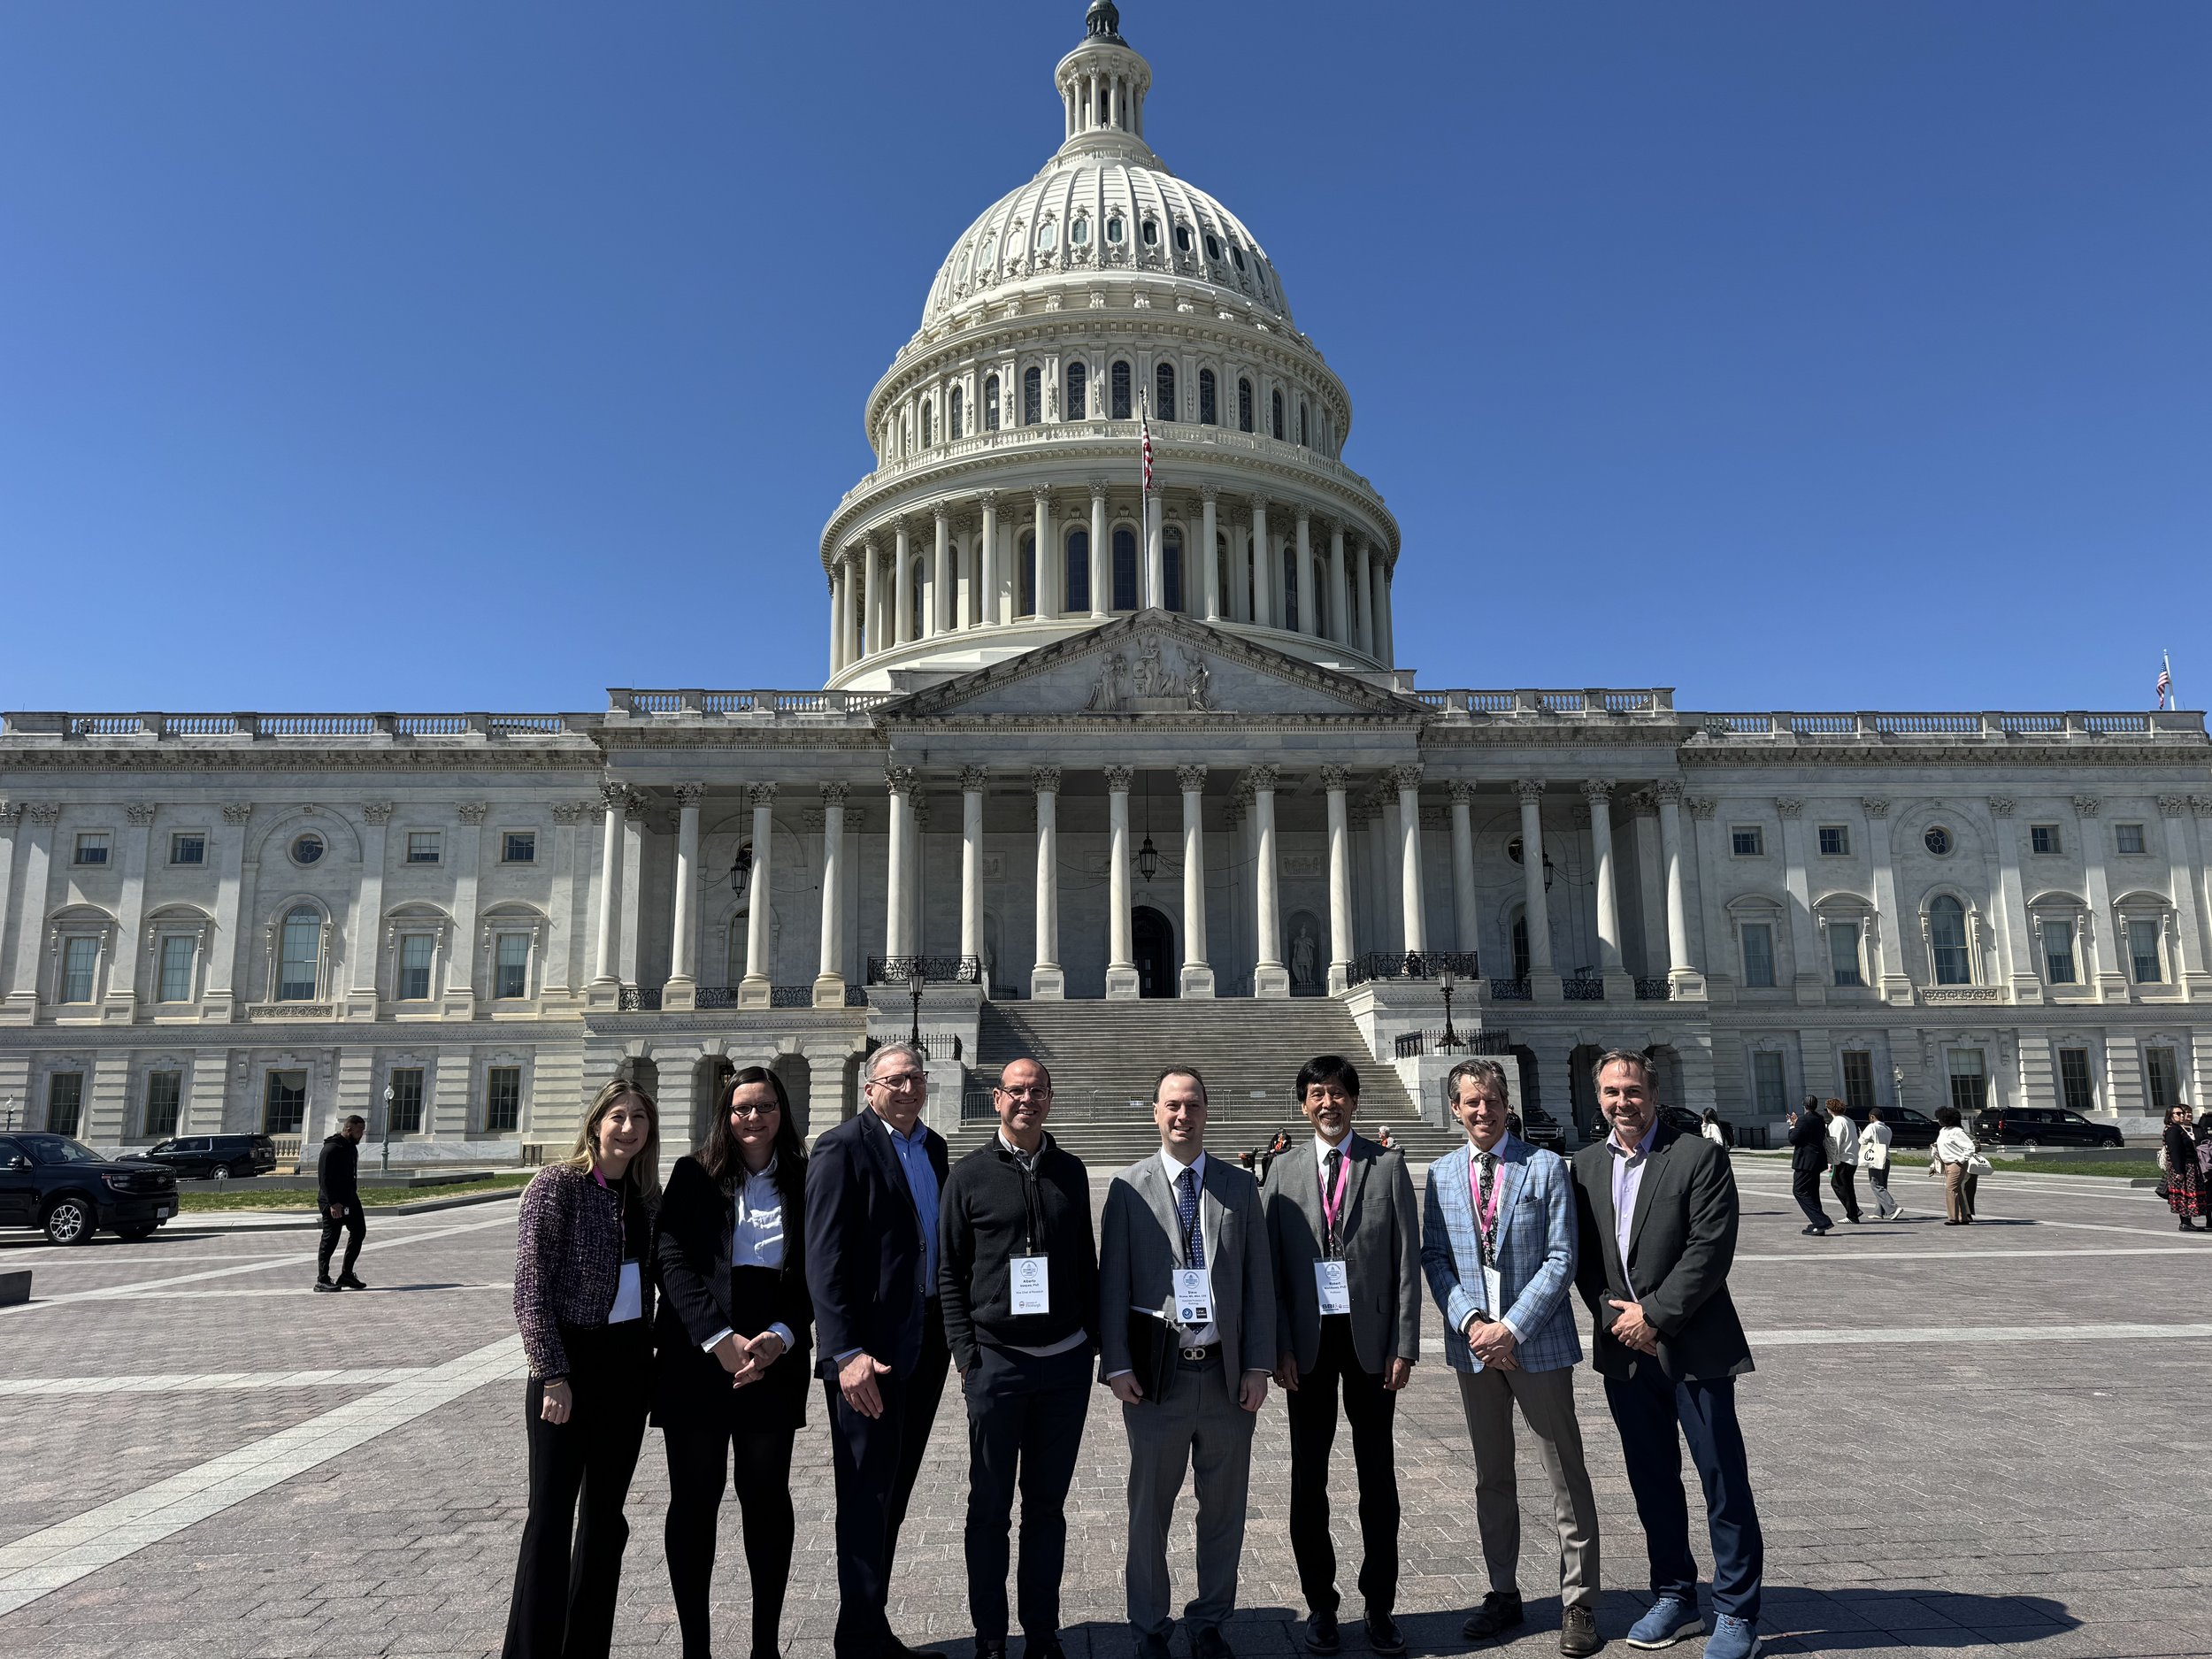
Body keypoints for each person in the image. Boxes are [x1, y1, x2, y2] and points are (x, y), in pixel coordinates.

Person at [1571, 1051, 1765, 1659]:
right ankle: (1675, 1593)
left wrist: (1653, 1315)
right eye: (1611, 1091)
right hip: (1626, 1353)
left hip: (1696, 1348)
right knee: (1651, 1479)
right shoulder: (1584, 1165)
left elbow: (1710, 1248)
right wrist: (1618, 1319)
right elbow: (1582, 1259)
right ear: (1598, 1097)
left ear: (1654, 1094)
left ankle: (1735, 1609)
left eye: (1632, 1090)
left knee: (1721, 1479)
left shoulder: (1697, 1156)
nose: (1622, 1101)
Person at [1420, 1058, 1602, 1659]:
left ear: (1507, 1104)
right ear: (1455, 1108)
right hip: (1474, 1346)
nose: (1483, 1110)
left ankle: (1579, 1600)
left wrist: (1512, 1328)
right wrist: (1473, 1323)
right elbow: (1435, 1257)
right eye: (1471, 1101)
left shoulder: (1545, 1166)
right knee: (1491, 1475)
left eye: (1492, 1099)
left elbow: (1562, 1257)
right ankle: (1502, 1590)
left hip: (1536, 1343)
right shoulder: (1442, 1173)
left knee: (1564, 1473)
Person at [1099, 1065, 1277, 1659]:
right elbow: (1113, 1282)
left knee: (1224, 1510)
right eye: (1172, 1105)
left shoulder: (1238, 1186)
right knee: (1149, 1511)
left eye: (1193, 1104)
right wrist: (1117, 1363)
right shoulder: (1128, 1188)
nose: (1183, 1115)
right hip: (1158, 1379)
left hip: (1225, 1376)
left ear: (1207, 1111)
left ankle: (1209, 1621)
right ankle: (1150, 1625)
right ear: (1156, 1112)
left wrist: (1258, 1365)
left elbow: (1258, 1283)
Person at [939, 1058, 1100, 1659]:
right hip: (997, 1362)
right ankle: (989, 1634)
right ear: (997, 1099)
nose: (1026, 1099)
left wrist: (1093, 1340)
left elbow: (1085, 1259)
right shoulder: (968, 1175)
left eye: (1037, 1090)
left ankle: (1041, 1630)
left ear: (1049, 1099)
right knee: (988, 1507)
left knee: (1046, 1509)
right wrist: (966, 1354)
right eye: (1016, 1091)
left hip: (1064, 1364)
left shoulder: (1071, 1171)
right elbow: (949, 1270)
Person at [1261, 1056, 1421, 1658]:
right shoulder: (1281, 1170)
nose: (1327, 1103)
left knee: (1377, 1476)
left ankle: (1379, 1605)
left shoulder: (1387, 1166)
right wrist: (1279, 1344)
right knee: (1309, 1478)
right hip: (1307, 1346)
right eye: (1316, 1094)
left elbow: (1406, 1261)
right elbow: (1271, 1269)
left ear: (1354, 1101)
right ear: (1304, 1104)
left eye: (1337, 1093)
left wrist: (1405, 1343)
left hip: (1371, 1344)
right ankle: (1321, 1605)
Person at [653, 1066, 813, 1659]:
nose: (754, 1117)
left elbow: (816, 1268)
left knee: (766, 1497)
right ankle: (695, 1648)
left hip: (772, 1356)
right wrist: (717, 1337)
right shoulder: (693, 1174)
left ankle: (765, 1646)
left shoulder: (805, 1178)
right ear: (726, 1115)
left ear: (782, 1112)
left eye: (766, 1106)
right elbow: (671, 1259)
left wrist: (782, 1335)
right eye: (742, 1107)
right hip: (698, 1356)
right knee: (695, 1500)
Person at [503, 1078, 661, 1659]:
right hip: (569, 1366)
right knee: (549, 1519)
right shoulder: (558, 1186)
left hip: (627, 1367)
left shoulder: (646, 1198)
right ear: (596, 1124)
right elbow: (530, 1288)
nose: (628, 1127)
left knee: (605, 1520)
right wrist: (552, 1373)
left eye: (639, 1117)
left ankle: (587, 1648)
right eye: (618, 1115)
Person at [805, 1041, 950, 1659]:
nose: (909, 1088)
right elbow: (823, 1257)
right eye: (895, 1080)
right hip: (866, 1357)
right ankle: (861, 1639)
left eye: (915, 1077)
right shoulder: (840, 1147)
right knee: (866, 1495)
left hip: (924, 1343)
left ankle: (867, 1628)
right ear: (870, 1089)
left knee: (894, 1490)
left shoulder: (934, 1147)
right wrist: (844, 1353)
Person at [313, 1114, 368, 1292]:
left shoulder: (351, 1148)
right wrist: (333, 1203)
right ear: (349, 1129)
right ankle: (322, 1279)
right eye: (359, 1131)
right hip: (333, 1202)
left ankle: (346, 1274)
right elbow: (324, 1179)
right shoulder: (331, 1149)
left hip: (350, 1199)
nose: (361, 1135)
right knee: (331, 1238)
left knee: (359, 1231)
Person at [1785, 1096, 1831, 1236]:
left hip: (1805, 1161)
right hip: (1817, 1160)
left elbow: (1793, 1139)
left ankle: (1821, 1221)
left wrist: (1792, 1126)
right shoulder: (1819, 1118)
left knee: (1799, 1191)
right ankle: (1818, 1224)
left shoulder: (1804, 1120)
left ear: (1804, 1105)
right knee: (1813, 1192)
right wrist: (1797, 1123)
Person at [2160, 1103, 2206, 1232]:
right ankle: (2185, 1223)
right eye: (2178, 1113)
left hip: (2190, 1165)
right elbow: (2174, 1152)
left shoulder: (2179, 1129)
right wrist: (2179, 1171)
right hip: (2184, 1167)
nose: (2182, 1116)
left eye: (2182, 1113)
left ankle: (2187, 1222)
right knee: (2184, 1195)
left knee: (2188, 1194)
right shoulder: (2173, 1130)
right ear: (2170, 1116)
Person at [1933, 1107, 1978, 1227]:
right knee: (1957, 1190)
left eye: (1940, 1118)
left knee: (1950, 1189)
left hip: (1956, 1163)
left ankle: (1953, 1218)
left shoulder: (1957, 1132)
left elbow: (1970, 1147)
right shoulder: (1943, 1131)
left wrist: (1961, 1160)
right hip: (1946, 1163)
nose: (1938, 1120)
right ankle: (1963, 1217)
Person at [1824, 1100, 1863, 1225]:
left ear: (1830, 1110)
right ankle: (1854, 1211)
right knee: (1848, 1187)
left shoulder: (1836, 1123)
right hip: (1852, 1158)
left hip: (1843, 1159)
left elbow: (1835, 1142)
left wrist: (1830, 1162)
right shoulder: (1849, 1121)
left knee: (1838, 1185)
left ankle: (1853, 1213)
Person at [1861, 1107, 1901, 1221]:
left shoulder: (1872, 1127)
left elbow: (1862, 1140)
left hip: (1875, 1157)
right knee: (1882, 1184)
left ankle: (1893, 1208)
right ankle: (1879, 1212)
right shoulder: (1887, 1129)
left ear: (1872, 1117)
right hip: (1886, 1157)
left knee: (1875, 1184)